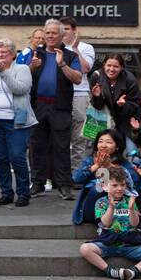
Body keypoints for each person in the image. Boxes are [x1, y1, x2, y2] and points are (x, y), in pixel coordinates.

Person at [28, 18, 83, 199]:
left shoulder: (70, 56)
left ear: (61, 35)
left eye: (54, 33)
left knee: (60, 147)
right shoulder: (36, 54)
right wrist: (31, 67)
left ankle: (64, 185)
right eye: (48, 32)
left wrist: (62, 64)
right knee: (37, 146)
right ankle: (38, 184)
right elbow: (23, 79)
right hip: (39, 106)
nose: (50, 36)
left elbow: (77, 78)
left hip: (60, 107)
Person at [0, 39, 36, 208]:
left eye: (4, 53)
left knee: (17, 157)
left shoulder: (22, 69)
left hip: (16, 120)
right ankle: (6, 193)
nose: (1, 56)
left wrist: (4, 73)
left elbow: (20, 89)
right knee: (0, 158)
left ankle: (23, 193)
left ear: (12, 54)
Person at [79, 172, 141, 280]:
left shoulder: (129, 201)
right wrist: (111, 207)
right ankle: (110, 271)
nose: (119, 188)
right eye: (115, 185)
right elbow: (106, 223)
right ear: (105, 187)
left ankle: (133, 271)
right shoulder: (101, 202)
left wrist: (131, 209)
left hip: (130, 243)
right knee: (85, 249)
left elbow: (134, 224)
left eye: (122, 185)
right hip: (108, 243)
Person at [71, 130, 137, 227]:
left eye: (109, 142)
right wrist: (97, 165)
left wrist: (109, 166)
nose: (103, 145)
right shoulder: (90, 160)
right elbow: (76, 179)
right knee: (99, 188)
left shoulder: (123, 163)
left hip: (118, 210)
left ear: (117, 146)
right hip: (92, 211)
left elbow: (133, 182)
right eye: (100, 141)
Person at [61, 17, 97, 175]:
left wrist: (75, 49)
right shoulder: (55, 47)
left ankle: (76, 173)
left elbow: (85, 69)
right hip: (59, 95)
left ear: (74, 30)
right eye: (61, 29)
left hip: (79, 95)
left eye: (66, 29)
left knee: (79, 138)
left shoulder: (86, 47)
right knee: (59, 136)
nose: (63, 32)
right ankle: (60, 174)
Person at [90, 55, 140, 129]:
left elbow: (135, 104)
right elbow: (97, 106)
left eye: (116, 66)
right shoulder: (97, 76)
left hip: (124, 121)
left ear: (121, 67)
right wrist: (97, 97)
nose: (111, 69)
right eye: (109, 65)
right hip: (101, 120)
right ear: (104, 65)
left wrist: (123, 105)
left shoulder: (130, 79)